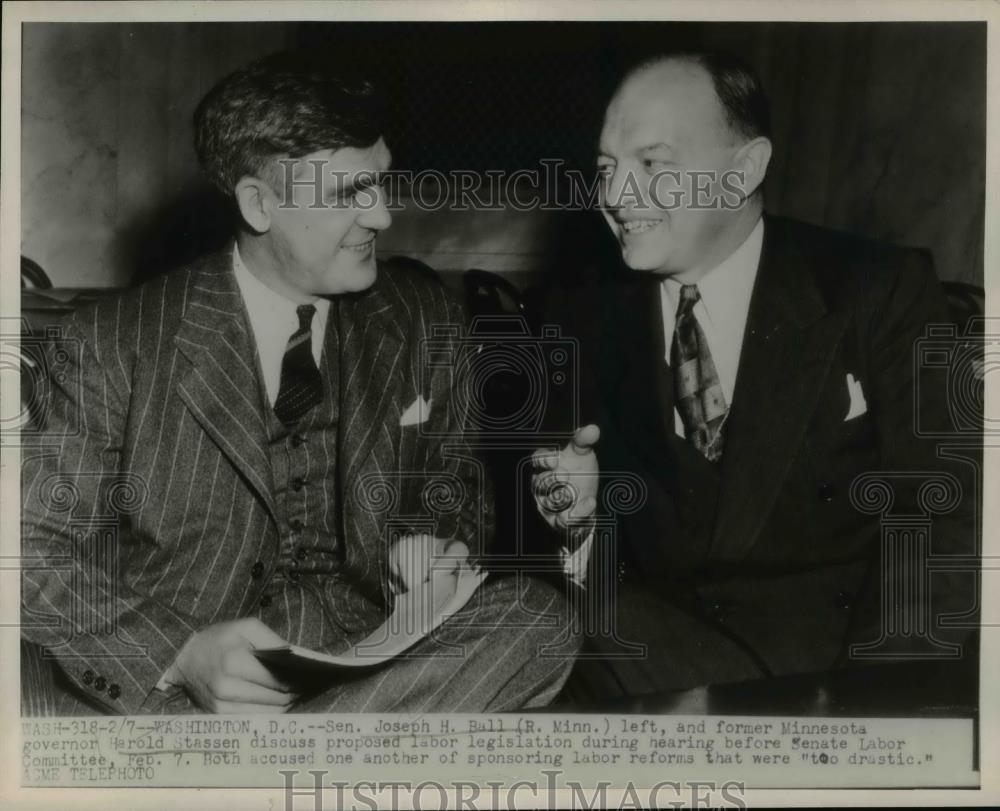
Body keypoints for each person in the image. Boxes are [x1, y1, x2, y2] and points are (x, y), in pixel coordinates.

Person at [20, 51, 578, 716]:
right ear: (259, 204)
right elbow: (29, 551)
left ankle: (266, 768)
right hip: (201, 682)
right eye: (349, 195)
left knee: (540, 621)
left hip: (377, 659)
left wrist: (432, 541)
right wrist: (178, 652)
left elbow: (454, 481)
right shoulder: (111, 344)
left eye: (381, 184)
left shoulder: (421, 314)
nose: (382, 217)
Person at [531, 50, 977, 700]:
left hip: (837, 661)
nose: (615, 196)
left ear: (743, 170)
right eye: (605, 169)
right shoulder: (575, 314)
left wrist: (877, 702)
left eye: (652, 164)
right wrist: (580, 520)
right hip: (654, 647)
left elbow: (945, 516)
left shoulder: (878, 288)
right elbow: (566, 549)